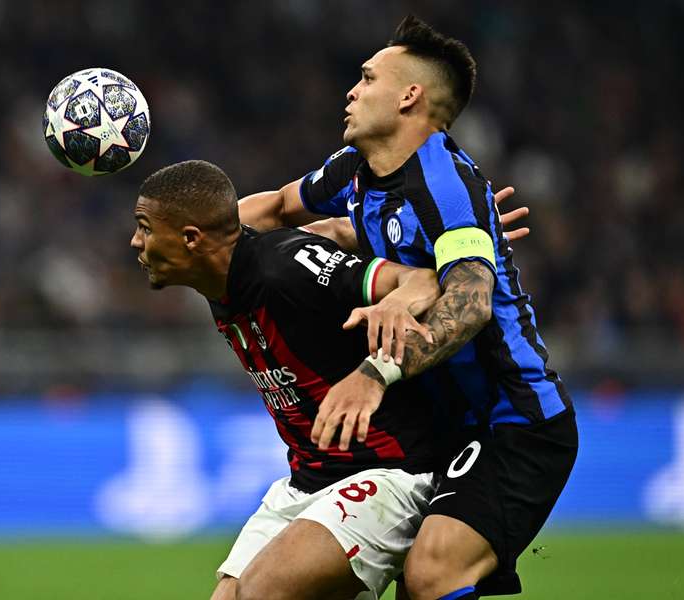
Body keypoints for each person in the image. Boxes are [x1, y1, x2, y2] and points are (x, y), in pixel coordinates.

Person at [237, 14, 578, 600]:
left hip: (515, 422)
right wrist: (191, 231)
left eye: (368, 78)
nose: (352, 90)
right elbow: (273, 210)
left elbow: (469, 305)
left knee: (432, 572)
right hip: (439, 425)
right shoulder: (358, 173)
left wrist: (374, 375)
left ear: (409, 96)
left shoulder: (447, 186)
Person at [131, 158, 454, 600]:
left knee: (264, 592)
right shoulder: (219, 263)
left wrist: (397, 303)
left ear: (190, 239)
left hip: (391, 472)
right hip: (309, 479)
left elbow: (420, 280)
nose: (135, 242)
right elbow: (292, 220)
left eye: (145, 228)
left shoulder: (287, 269)